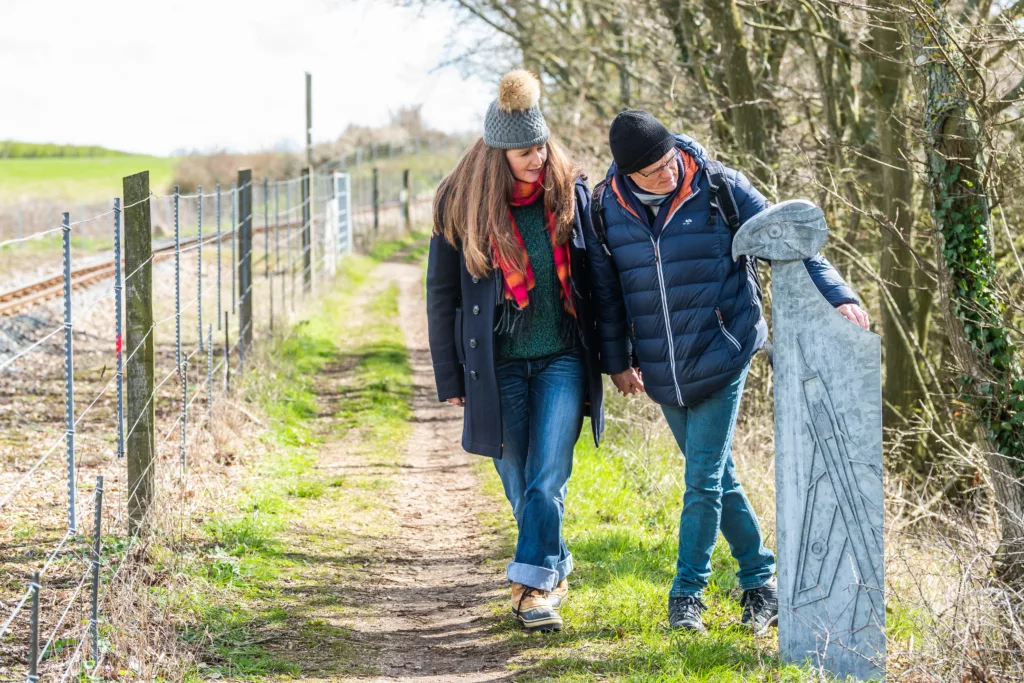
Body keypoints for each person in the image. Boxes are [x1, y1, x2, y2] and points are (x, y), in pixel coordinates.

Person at [583, 110, 869, 634]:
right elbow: (609, 293)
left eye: (670, 162)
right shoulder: (607, 208)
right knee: (719, 477)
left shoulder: (718, 184)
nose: (668, 175)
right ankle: (761, 581)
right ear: (628, 176)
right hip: (661, 366)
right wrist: (617, 361)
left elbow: (790, 238)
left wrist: (838, 294)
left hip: (724, 348)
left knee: (701, 480)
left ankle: (686, 594)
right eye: (653, 172)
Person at [425, 70, 604, 633]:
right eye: (525, 151)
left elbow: (600, 276)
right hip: (495, 364)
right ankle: (555, 563)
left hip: (562, 357)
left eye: (541, 147)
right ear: (499, 152)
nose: (537, 158)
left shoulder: (569, 192)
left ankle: (531, 592)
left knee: (548, 475)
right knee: (517, 477)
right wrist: (449, 376)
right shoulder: (461, 204)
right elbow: (441, 295)